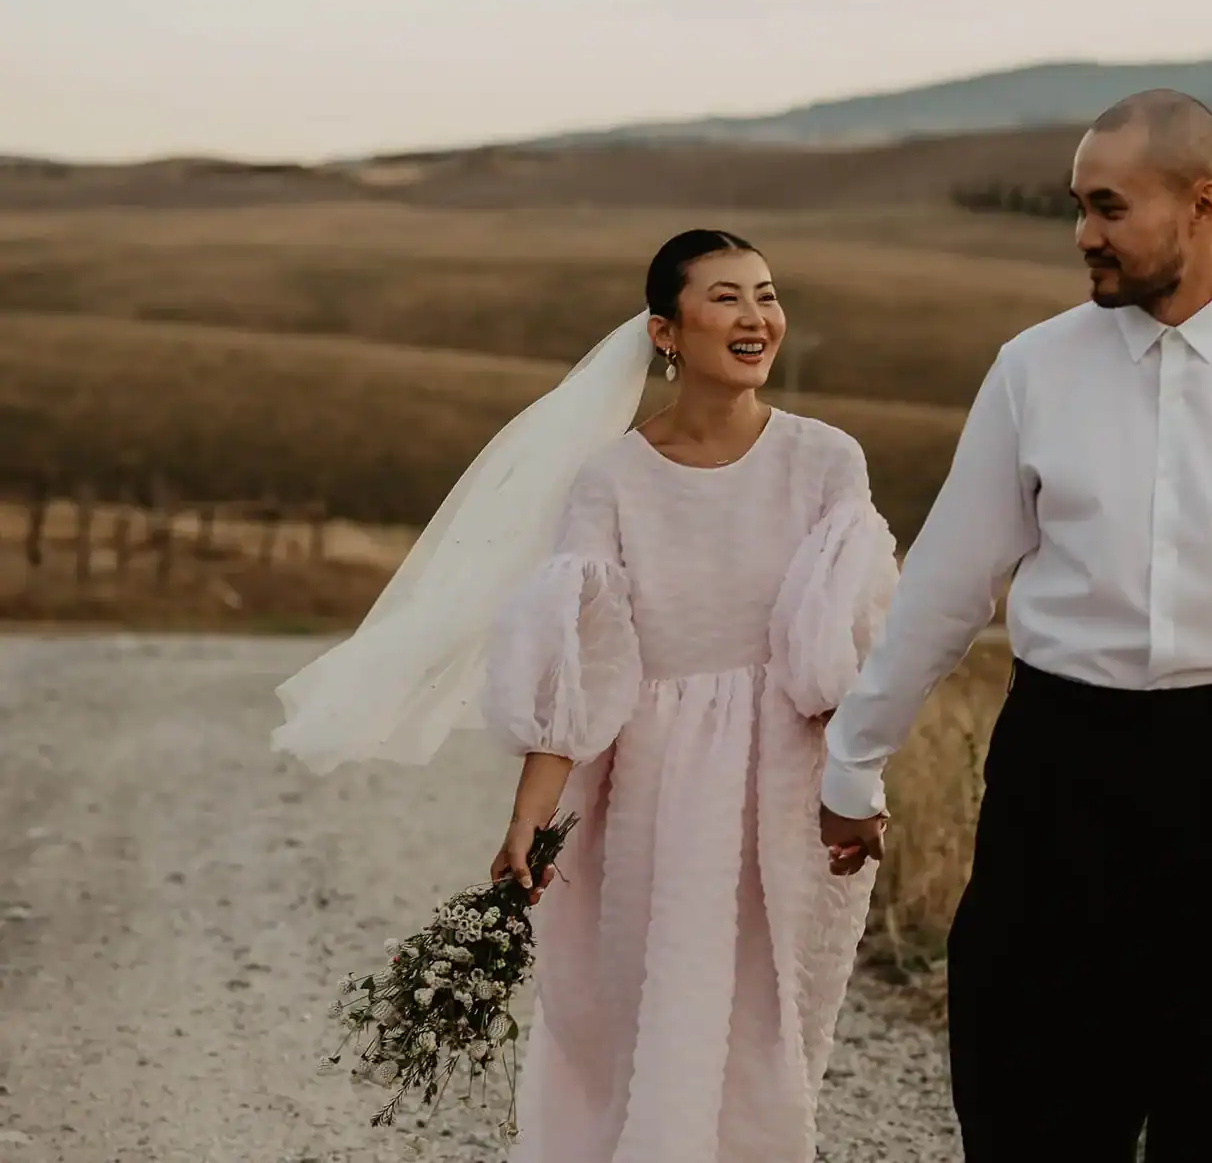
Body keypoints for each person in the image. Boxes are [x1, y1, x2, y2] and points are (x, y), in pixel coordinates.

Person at [817, 91, 1212, 1161]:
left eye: (1107, 208)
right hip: (1062, 775)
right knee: (1031, 1102)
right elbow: (944, 591)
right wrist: (853, 761)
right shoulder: (1031, 371)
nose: (1081, 236)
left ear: (1202, 205)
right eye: (1076, 207)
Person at [272, 229, 899, 1162]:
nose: (756, 317)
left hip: (784, 776)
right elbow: (583, 659)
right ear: (666, 331)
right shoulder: (610, 477)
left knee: (772, 1025)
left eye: (766, 295)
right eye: (725, 297)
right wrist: (530, 816)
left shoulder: (826, 461)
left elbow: (843, 647)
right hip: (651, 785)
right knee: (652, 1021)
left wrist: (857, 786)